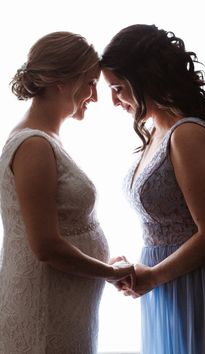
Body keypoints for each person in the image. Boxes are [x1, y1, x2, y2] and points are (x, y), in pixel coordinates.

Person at [101, 24, 205, 354]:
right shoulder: (154, 133)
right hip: (164, 280)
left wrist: (154, 276)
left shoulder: (186, 134)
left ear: (144, 78)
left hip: (198, 282)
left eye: (118, 88)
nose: (114, 100)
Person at [0, 31, 134, 354]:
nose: (95, 96)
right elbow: (45, 246)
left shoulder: (45, 140)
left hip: (62, 308)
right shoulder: (33, 146)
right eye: (90, 83)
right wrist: (109, 271)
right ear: (61, 81)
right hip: (42, 315)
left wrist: (99, 260)